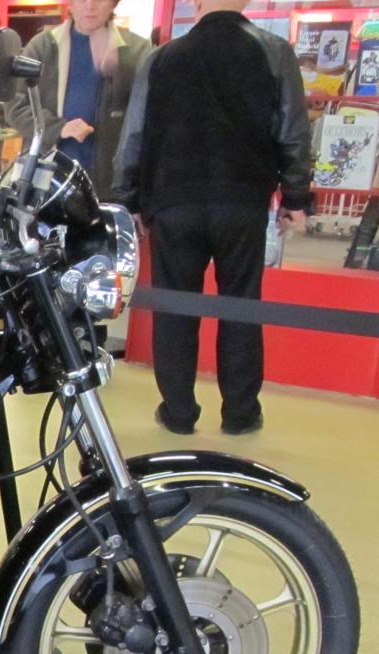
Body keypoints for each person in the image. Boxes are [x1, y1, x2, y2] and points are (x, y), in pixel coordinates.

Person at [113, 0, 310, 435]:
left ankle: (178, 412)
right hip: (242, 200)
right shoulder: (273, 50)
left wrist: (129, 199)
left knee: (174, 307)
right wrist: (296, 195)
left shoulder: (161, 57)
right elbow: (292, 130)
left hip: (172, 200)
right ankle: (240, 413)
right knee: (240, 304)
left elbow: (135, 134)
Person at [5, 0, 150, 197]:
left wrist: (121, 69)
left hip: (110, 183)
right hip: (47, 181)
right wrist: (59, 127)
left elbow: (148, 112)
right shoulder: (43, 46)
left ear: (113, 4)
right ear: (70, 4)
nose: (90, 5)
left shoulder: (136, 50)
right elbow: (15, 104)